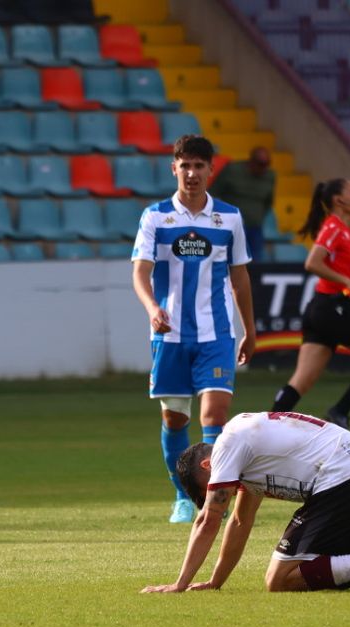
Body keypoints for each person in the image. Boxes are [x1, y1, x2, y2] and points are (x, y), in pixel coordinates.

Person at [140, 411, 350, 593]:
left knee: (279, 579)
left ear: (207, 467)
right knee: (310, 573)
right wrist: (215, 581)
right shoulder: (250, 453)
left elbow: (209, 519)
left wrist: (180, 583)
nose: (225, 492)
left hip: (347, 480)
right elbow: (238, 521)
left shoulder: (228, 444)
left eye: (210, 487)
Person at [131, 134, 257, 524]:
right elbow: (140, 272)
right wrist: (153, 307)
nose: (192, 173)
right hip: (169, 335)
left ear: (210, 171)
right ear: (174, 169)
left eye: (199, 165)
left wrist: (249, 330)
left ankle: (214, 496)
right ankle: (184, 496)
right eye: (185, 165)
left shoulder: (229, 218)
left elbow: (239, 278)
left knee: (215, 414)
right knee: (175, 420)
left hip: (215, 334)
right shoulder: (155, 217)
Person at [270, 178, 350, 428]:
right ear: (339, 200)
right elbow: (312, 262)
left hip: (321, 309)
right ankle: (339, 411)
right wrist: (346, 283)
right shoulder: (334, 227)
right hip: (332, 307)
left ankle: (266, 425)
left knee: (301, 381)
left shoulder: (347, 232)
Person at [207, 145, 275, 263]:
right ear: (251, 161)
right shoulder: (232, 170)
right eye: (261, 164)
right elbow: (213, 193)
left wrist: (257, 216)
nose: (264, 168)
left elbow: (268, 202)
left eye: (267, 164)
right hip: (231, 226)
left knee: (255, 262)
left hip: (255, 227)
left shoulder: (270, 176)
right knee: (231, 261)